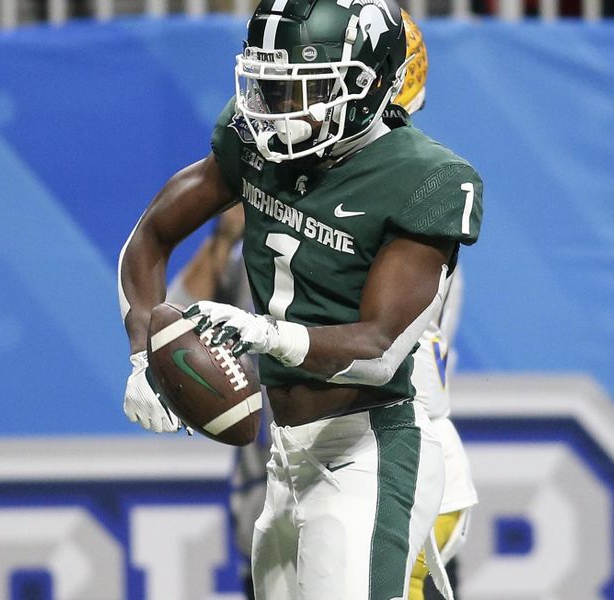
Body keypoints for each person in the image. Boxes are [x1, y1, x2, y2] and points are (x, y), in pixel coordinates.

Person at [118, 0, 484, 597]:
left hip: (371, 447)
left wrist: (267, 335)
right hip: (287, 458)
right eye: (269, 85)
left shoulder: (425, 179)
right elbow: (151, 236)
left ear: (366, 87)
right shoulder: (256, 144)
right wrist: (141, 353)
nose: (275, 110)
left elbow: (379, 351)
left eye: (304, 88)